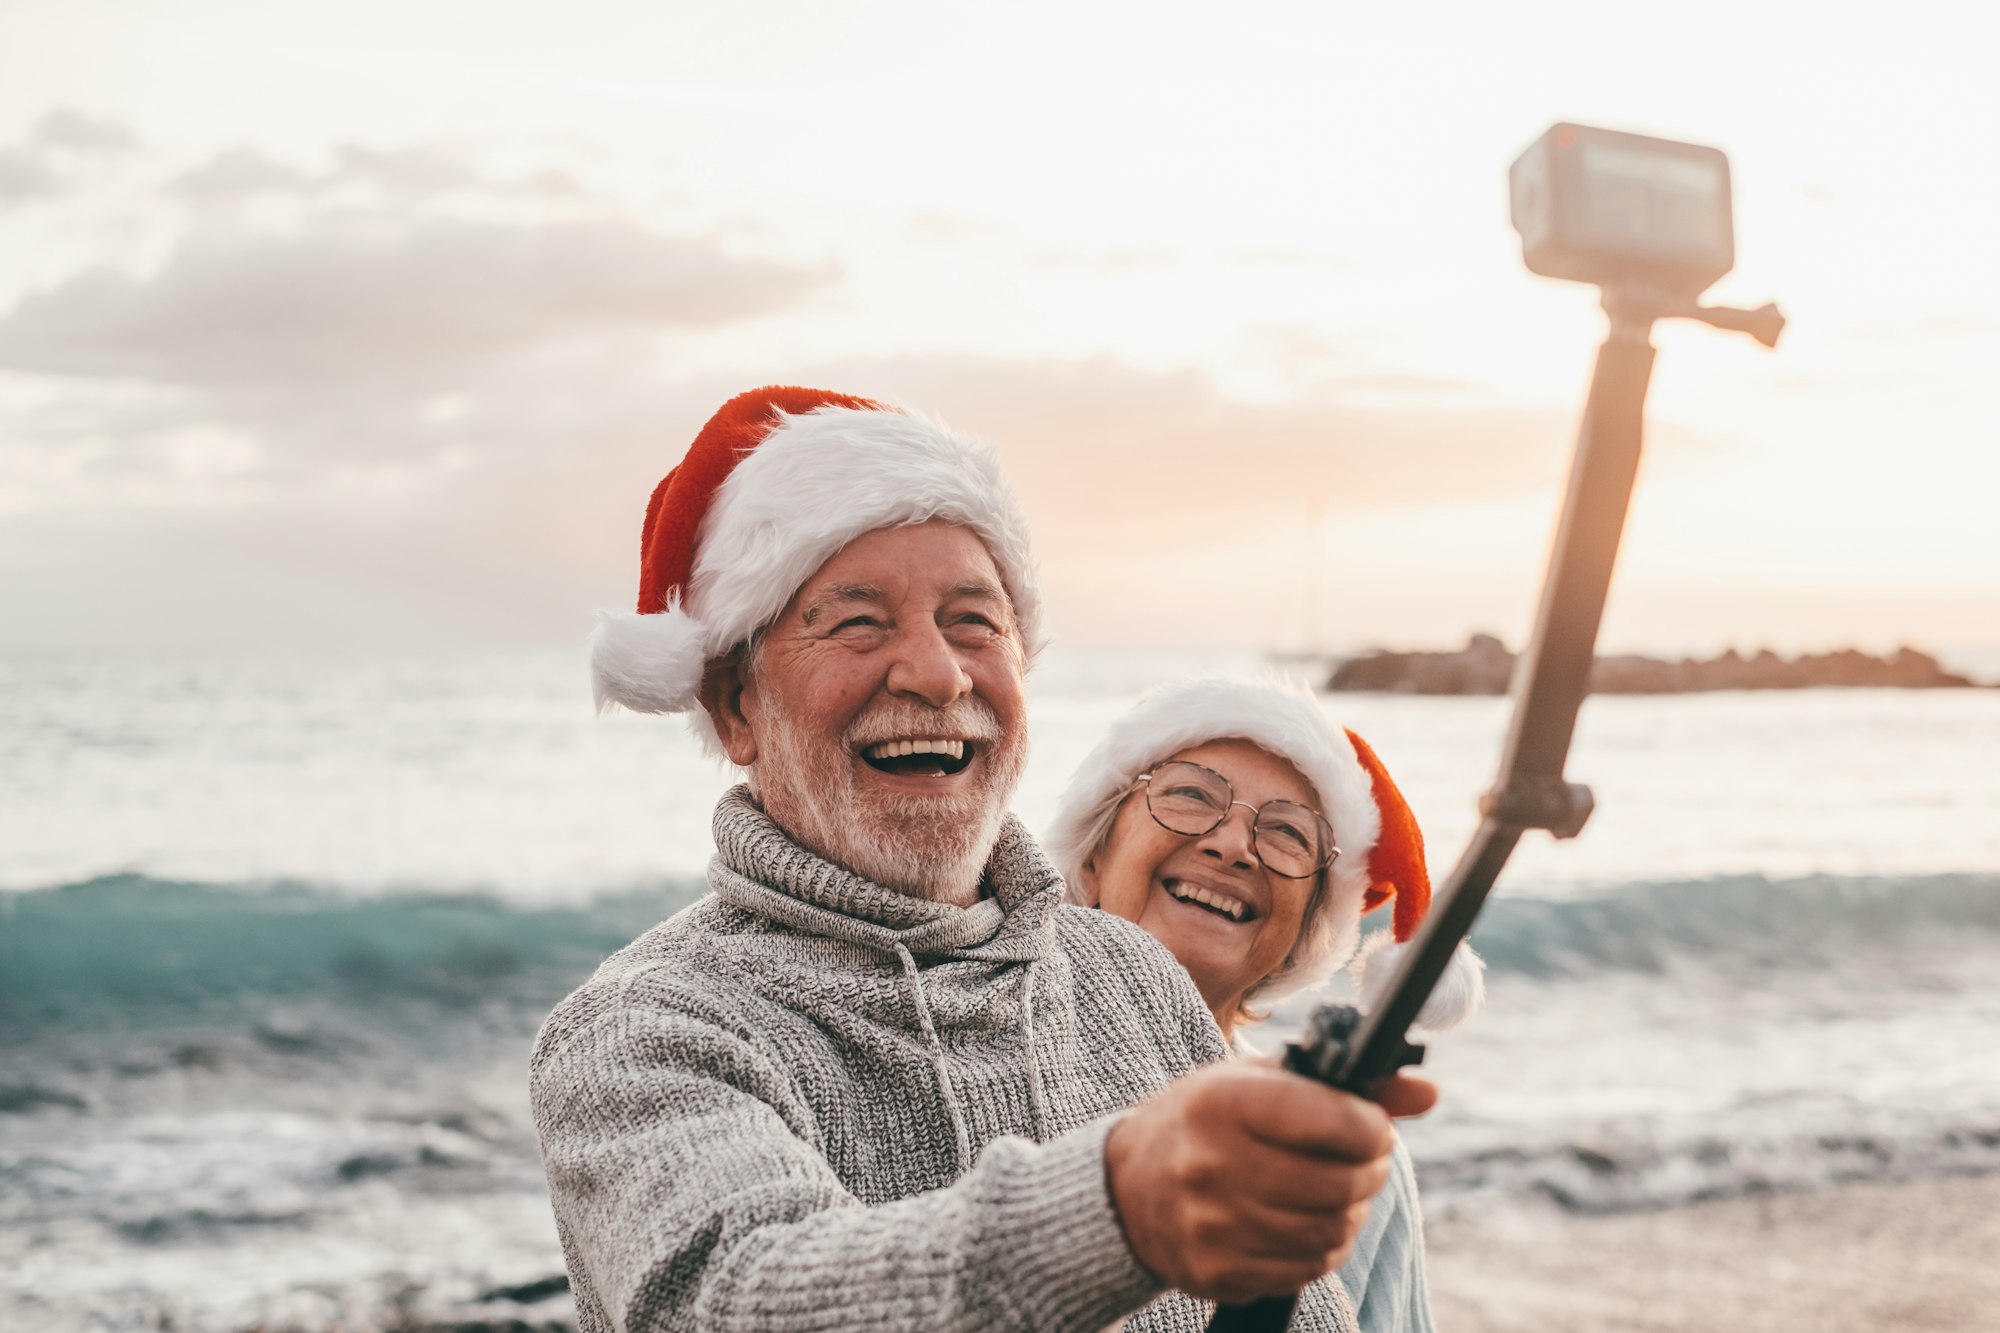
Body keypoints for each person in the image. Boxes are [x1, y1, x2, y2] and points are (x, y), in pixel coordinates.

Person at [532, 386, 1436, 1332]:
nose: (937, 672)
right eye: (857, 622)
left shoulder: (1134, 978)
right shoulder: (639, 1029)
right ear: (734, 708)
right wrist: (1123, 1208)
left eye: (973, 620)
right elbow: (738, 1298)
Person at [1045, 676, 1486, 1333]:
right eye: (1191, 794)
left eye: (1287, 833)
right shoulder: (986, 1059)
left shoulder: (1348, 1155)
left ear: (1303, 929)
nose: (1232, 845)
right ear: (1094, 858)